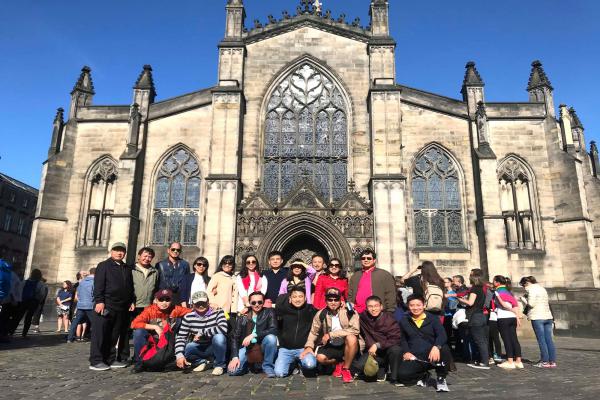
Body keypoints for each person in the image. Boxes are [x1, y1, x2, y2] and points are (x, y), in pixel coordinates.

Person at [89, 242, 136, 371]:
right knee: (100, 334)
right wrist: (99, 301)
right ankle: (96, 360)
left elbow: (129, 287)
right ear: (111, 251)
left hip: (121, 306)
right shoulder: (103, 265)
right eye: (116, 250)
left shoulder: (126, 268)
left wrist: (131, 300)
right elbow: (98, 285)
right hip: (106, 304)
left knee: (114, 334)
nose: (119, 253)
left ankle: (109, 359)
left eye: (122, 251)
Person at [302, 287, 359, 383]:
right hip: (332, 345)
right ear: (326, 301)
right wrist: (309, 346)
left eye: (336, 300)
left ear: (340, 300)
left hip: (347, 345)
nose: (333, 302)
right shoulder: (321, 314)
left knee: (351, 338)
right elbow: (313, 332)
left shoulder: (349, 310)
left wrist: (331, 334)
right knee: (320, 358)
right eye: (330, 300)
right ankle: (339, 362)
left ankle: (346, 369)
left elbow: (355, 330)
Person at [396, 294, 451, 392]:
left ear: (424, 305)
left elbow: (442, 335)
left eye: (418, 305)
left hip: (432, 353)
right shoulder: (404, 320)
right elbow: (403, 339)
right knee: (403, 375)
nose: (415, 308)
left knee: (444, 349)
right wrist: (406, 351)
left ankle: (441, 378)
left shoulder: (433, 318)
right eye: (412, 305)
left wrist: (436, 347)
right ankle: (423, 375)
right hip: (416, 354)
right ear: (408, 306)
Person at [132, 289, 190, 371]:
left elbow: (193, 312)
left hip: (170, 341)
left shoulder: (176, 309)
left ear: (171, 301)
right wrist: (155, 327)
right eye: (161, 300)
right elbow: (134, 324)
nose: (164, 302)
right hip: (154, 341)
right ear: (156, 300)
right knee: (139, 332)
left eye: (167, 300)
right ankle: (139, 362)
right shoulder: (149, 310)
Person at [175, 291, 228, 375]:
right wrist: (179, 356)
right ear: (193, 304)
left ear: (208, 302)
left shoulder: (218, 312)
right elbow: (181, 337)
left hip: (214, 346)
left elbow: (223, 328)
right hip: (199, 346)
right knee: (188, 347)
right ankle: (203, 362)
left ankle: (219, 365)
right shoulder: (188, 317)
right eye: (197, 303)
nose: (200, 305)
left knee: (219, 337)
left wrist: (202, 332)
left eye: (203, 303)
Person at [353, 295, 403, 383]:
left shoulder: (389, 319)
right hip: (373, 352)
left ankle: (395, 377)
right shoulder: (363, 317)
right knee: (360, 367)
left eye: (376, 306)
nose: (373, 309)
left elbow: (395, 338)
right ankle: (382, 367)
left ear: (381, 307)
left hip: (387, 349)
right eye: (370, 306)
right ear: (366, 308)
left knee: (396, 350)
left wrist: (377, 345)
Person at [228, 291, 278, 376]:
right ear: (250, 303)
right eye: (253, 302)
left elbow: (273, 329)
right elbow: (235, 337)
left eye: (260, 302)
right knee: (233, 371)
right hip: (247, 347)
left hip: (262, 344)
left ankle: (267, 366)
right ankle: (249, 365)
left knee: (271, 338)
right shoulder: (243, 316)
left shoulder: (269, 312)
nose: (257, 305)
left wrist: (253, 335)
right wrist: (235, 357)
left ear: (263, 302)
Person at [273, 287, 318, 377]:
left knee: (310, 365)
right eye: (294, 297)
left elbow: (324, 313)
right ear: (290, 299)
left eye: (300, 296)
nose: (297, 299)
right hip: (285, 349)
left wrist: (341, 306)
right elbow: (267, 311)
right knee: (279, 373)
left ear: (305, 298)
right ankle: (292, 365)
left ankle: (301, 364)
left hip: (303, 349)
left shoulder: (311, 310)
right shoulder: (282, 310)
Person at [519, 276, 556, 368]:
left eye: (523, 285)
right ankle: (552, 361)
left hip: (537, 317)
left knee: (541, 340)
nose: (524, 288)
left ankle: (544, 361)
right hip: (548, 316)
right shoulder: (542, 289)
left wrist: (523, 300)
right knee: (549, 340)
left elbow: (531, 304)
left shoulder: (531, 290)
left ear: (527, 283)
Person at [457, 269, 490, 369]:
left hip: (475, 316)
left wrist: (460, 299)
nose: (469, 277)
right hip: (481, 315)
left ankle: (484, 362)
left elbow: (470, 303)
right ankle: (483, 360)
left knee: (479, 340)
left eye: (471, 275)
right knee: (482, 340)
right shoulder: (482, 288)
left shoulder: (475, 288)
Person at [492, 276, 524, 369]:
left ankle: (510, 361)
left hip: (503, 317)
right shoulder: (509, 291)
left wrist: (512, 310)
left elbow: (503, 305)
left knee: (506, 340)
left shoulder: (497, 291)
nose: (493, 282)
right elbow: (515, 304)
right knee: (514, 339)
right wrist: (516, 315)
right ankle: (518, 361)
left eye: (494, 281)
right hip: (512, 318)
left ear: (497, 282)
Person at [11, 268, 46, 338]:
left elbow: (19, 291)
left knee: (18, 317)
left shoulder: (25, 282)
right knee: (29, 318)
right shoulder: (40, 283)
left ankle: (11, 331)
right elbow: (42, 294)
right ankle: (24, 334)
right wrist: (38, 301)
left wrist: (19, 299)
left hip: (23, 301)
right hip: (33, 302)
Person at [68, 268, 96, 343]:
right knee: (95, 323)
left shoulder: (82, 282)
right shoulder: (95, 282)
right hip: (90, 305)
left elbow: (78, 293)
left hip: (80, 305)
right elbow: (95, 294)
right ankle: (94, 338)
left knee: (75, 322)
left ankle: (69, 338)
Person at [132, 247, 159, 316]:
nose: (147, 259)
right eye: (145, 256)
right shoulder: (131, 269)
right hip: (133, 305)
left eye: (150, 257)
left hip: (148, 306)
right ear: (139, 256)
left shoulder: (155, 271)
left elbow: (156, 288)